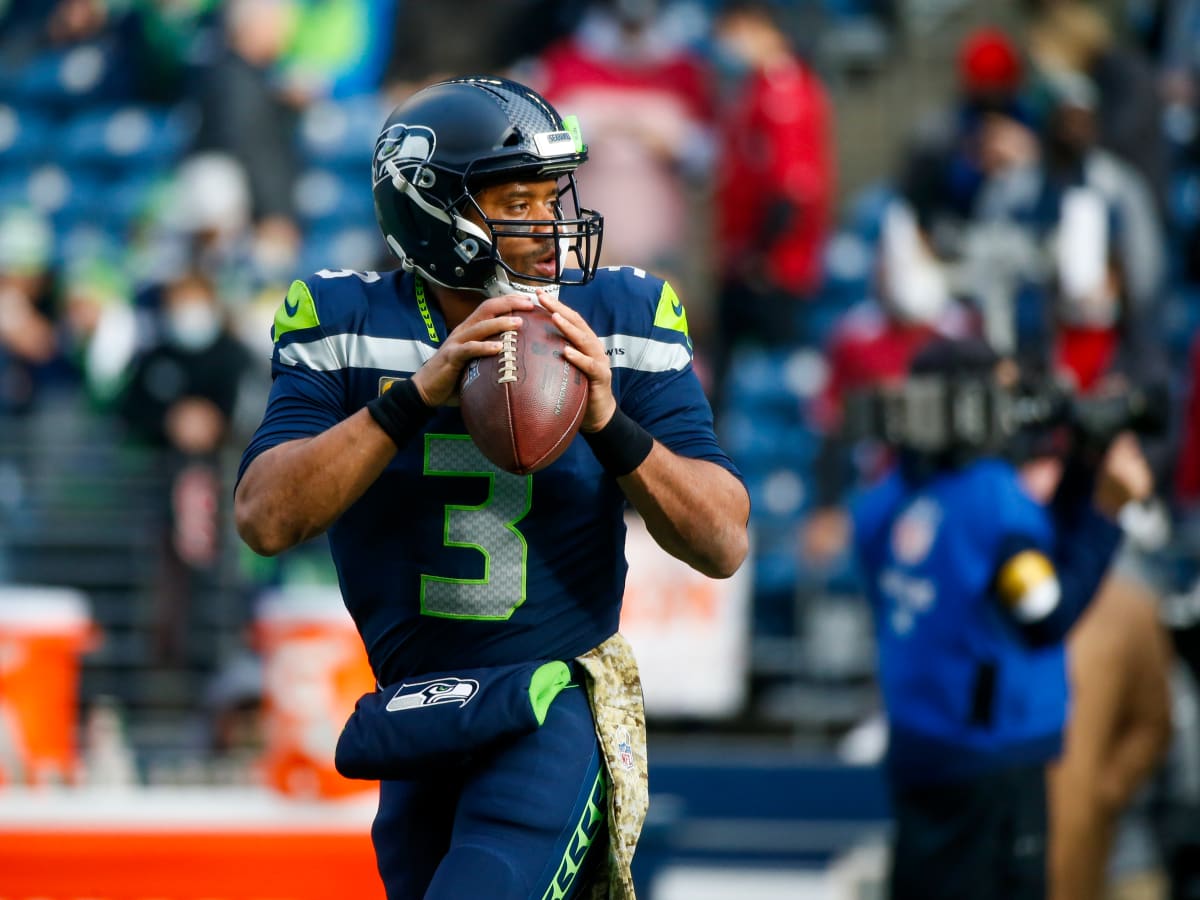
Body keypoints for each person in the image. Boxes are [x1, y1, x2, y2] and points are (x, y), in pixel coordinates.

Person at [233, 75, 749, 899]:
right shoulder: (346, 321)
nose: (550, 224)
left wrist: (610, 422)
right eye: (518, 202)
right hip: (419, 713)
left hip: (549, 708)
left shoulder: (622, 314)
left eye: (553, 196)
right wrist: (414, 398)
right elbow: (264, 516)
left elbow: (723, 540)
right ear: (437, 211)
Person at [850, 336, 1154, 900]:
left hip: (919, 752)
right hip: (991, 766)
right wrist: (1107, 515)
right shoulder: (993, 499)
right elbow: (1045, 613)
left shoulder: (884, 500)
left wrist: (1081, 471)